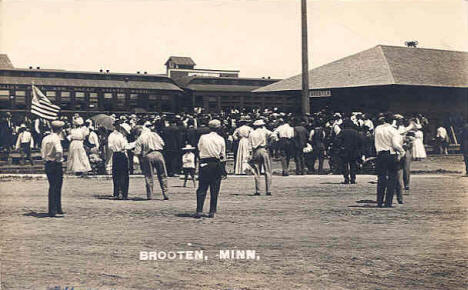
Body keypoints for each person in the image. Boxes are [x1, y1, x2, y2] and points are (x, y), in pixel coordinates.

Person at [195, 119, 227, 218]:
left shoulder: (203, 138)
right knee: (215, 188)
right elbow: (222, 155)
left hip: (204, 163)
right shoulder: (221, 139)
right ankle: (212, 211)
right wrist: (223, 169)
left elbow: (199, 148)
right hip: (216, 163)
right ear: (219, 128)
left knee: (202, 188)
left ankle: (199, 210)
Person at [374, 115, 406, 208]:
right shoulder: (393, 131)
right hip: (391, 154)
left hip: (380, 154)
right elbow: (395, 145)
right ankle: (388, 202)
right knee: (392, 179)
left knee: (381, 179)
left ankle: (379, 201)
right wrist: (402, 151)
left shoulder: (377, 129)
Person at [134, 125, 169, 200]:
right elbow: (163, 143)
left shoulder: (140, 138)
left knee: (149, 176)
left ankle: (150, 195)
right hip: (158, 153)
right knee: (163, 175)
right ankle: (166, 193)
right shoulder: (155, 134)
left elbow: (138, 151)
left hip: (147, 155)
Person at [41, 120, 65, 217]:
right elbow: (59, 151)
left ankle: (56, 208)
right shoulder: (56, 138)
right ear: (59, 129)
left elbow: (42, 152)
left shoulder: (45, 138)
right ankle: (54, 209)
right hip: (55, 163)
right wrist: (58, 160)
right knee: (57, 186)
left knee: (53, 186)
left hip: (48, 163)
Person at [248, 119, 276, 195]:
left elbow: (250, 146)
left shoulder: (251, 133)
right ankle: (268, 190)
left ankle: (258, 190)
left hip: (256, 151)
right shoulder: (265, 131)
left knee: (257, 171)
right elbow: (274, 137)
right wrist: (269, 144)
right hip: (264, 150)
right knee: (268, 171)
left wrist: (250, 155)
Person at [335, 119, 363, 184]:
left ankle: (346, 179)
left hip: (344, 151)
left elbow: (337, 141)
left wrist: (340, 147)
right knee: (353, 165)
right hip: (354, 151)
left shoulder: (342, 132)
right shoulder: (356, 132)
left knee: (344, 165)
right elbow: (361, 141)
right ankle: (353, 179)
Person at [108, 122, 131, 200]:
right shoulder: (122, 137)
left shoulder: (111, 135)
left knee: (116, 174)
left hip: (115, 155)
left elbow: (110, 146)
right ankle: (124, 193)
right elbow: (125, 146)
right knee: (124, 174)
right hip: (122, 154)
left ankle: (116, 192)